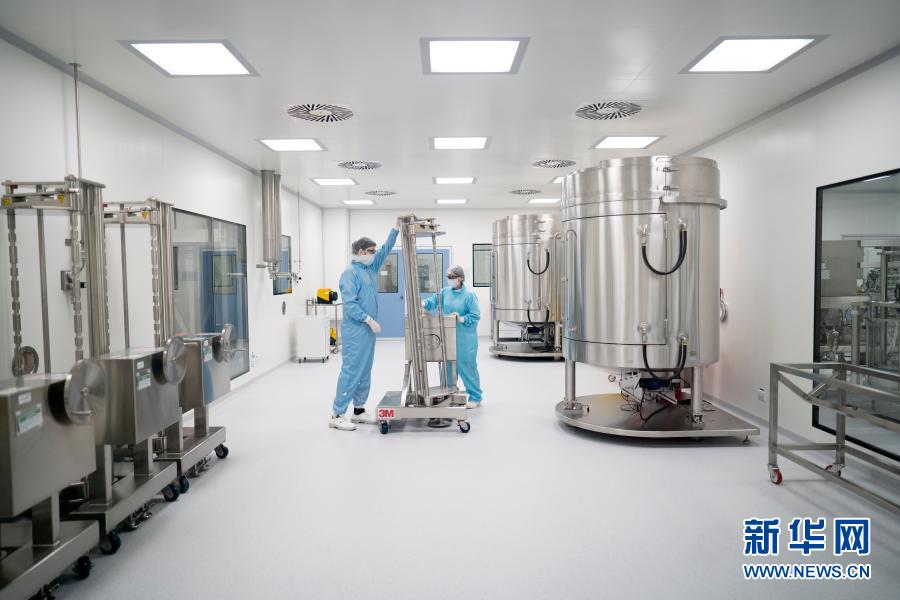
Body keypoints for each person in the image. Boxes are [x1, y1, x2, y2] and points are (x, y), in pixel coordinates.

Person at [330, 220, 400, 431]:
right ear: (361, 252)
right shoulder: (349, 273)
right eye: (371, 251)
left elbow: (385, 250)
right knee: (351, 370)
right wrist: (368, 319)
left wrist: (395, 229)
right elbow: (350, 304)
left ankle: (359, 410)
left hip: (367, 331)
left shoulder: (369, 269)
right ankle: (337, 414)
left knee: (365, 369)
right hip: (355, 330)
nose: (374, 254)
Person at [422, 265, 483, 408]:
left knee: (466, 366)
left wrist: (461, 318)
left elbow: (475, 316)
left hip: (465, 338)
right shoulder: (445, 292)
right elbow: (433, 301)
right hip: (448, 335)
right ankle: (448, 394)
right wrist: (424, 303)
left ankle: (475, 397)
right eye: (447, 277)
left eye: (451, 277)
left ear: (460, 278)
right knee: (448, 366)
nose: (449, 279)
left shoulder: (469, 295)